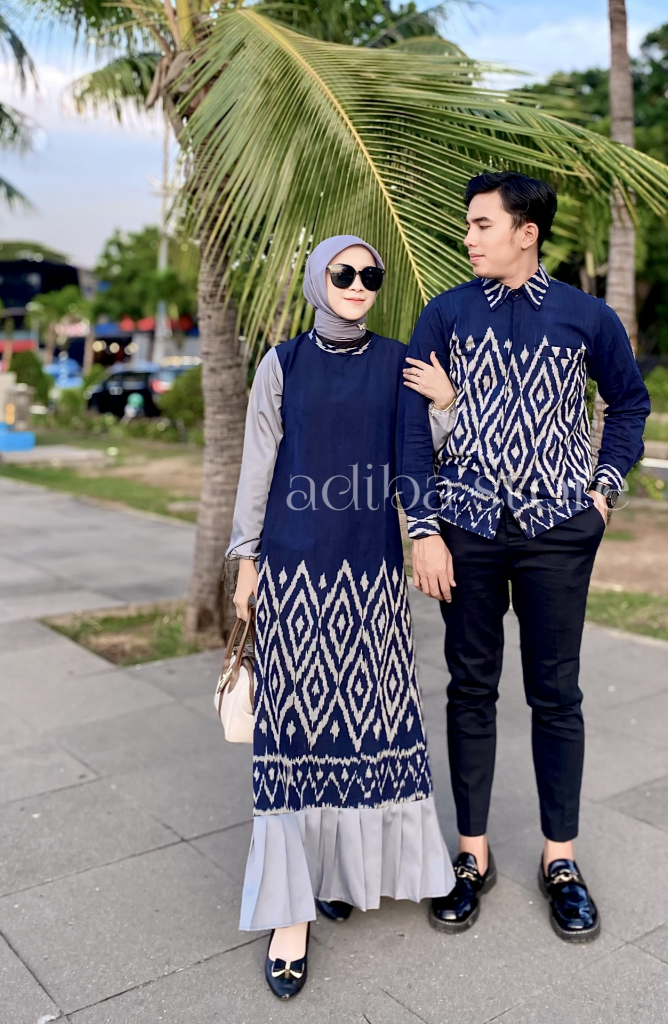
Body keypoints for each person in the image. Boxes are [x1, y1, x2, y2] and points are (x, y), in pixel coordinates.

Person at [398, 172, 650, 941]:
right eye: (468, 224)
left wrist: (602, 494)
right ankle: (471, 855)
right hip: (466, 533)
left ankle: (559, 861)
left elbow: (628, 404)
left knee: (556, 694)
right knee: (470, 690)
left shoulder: (587, 317)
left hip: (557, 532)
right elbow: (411, 427)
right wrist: (423, 530)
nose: (468, 237)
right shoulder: (446, 314)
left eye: (482, 224)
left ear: (526, 231)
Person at [226, 235, 455, 1000]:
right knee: (294, 737)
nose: (359, 283)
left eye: (370, 274)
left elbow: (419, 454)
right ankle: (290, 918)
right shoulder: (282, 363)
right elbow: (258, 464)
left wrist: (445, 406)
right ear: (315, 280)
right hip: (294, 575)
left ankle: (343, 876)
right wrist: (247, 561)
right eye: (343, 272)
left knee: (365, 727)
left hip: (369, 577)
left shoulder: (397, 362)